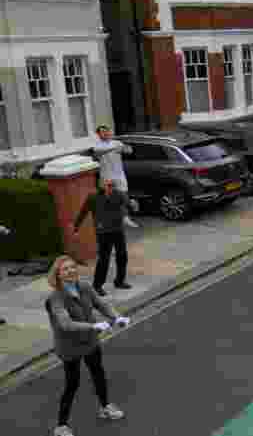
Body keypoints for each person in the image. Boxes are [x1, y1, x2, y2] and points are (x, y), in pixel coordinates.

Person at [46, 255, 129, 436]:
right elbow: (65, 324)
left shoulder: (84, 286)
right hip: (70, 346)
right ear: (58, 275)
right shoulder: (56, 298)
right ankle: (61, 426)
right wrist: (93, 326)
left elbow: (101, 304)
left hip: (90, 341)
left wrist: (117, 317)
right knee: (72, 384)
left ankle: (106, 407)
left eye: (72, 267)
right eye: (65, 269)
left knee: (98, 373)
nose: (70, 271)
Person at [72, 178, 138, 296]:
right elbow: (83, 212)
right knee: (104, 259)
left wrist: (133, 205)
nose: (111, 188)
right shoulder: (93, 197)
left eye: (112, 185)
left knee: (122, 256)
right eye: (108, 185)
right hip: (103, 232)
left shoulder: (119, 195)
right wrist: (76, 228)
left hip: (117, 230)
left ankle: (119, 281)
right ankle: (97, 286)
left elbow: (129, 205)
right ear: (101, 186)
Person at [90, 125, 137, 229]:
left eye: (106, 131)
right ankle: (111, 219)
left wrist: (125, 148)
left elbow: (129, 150)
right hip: (106, 176)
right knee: (109, 198)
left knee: (123, 194)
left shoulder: (116, 143)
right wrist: (113, 148)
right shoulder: (97, 145)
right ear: (98, 134)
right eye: (102, 132)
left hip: (119, 174)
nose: (105, 133)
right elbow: (97, 153)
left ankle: (125, 217)